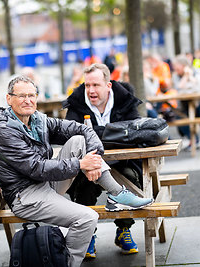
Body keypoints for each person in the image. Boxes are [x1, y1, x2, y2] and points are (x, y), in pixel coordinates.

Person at [0, 75, 153, 267]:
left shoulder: (37, 120)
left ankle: (116, 194)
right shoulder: (4, 131)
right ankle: (67, 262)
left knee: (79, 140)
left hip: (46, 184)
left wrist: (92, 159)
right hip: (25, 195)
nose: (28, 100)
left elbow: (83, 130)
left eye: (32, 95)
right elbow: (36, 168)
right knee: (88, 218)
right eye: (21, 96)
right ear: (9, 99)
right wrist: (81, 165)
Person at [63, 63, 147, 258]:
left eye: (96, 85)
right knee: (85, 183)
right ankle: (88, 234)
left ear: (108, 85)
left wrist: (97, 134)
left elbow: (134, 132)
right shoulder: (76, 103)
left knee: (130, 178)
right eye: (87, 85)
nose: (91, 90)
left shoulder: (125, 100)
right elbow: (72, 136)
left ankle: (124, 229)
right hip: (89, 165)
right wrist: (113, 133)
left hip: (124, 163)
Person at [172, 55, 200, 148]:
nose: (175, 69)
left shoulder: (198, 72)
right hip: (184, 104)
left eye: (177, 67)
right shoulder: (175, 75)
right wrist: (185, 76)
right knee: (178, 119)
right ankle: (193, 139)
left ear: (184, 65)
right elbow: (178, 89)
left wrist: (190, 75)